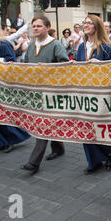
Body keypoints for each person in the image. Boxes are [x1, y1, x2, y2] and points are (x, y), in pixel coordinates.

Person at [20, 16, 69, 173]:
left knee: (43, 125)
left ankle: (34, 162)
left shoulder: (55, 45)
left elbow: (64, 66)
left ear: (47, 27)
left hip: (52, 92)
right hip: (36, 92)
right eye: (34, 26)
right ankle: (58, 147)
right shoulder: (31, 46)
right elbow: (26, 64)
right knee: (48, 122)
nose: (35, 28)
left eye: (39, 26)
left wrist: (48, 69)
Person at [76, 14, 111, 173]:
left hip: (102, 93)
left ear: (96, 26)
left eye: (89, 23)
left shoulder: (106, 47)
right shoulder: (81, 46)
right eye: (85, 23)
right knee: (86, 126)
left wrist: (101, 65)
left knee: (102, 126)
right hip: (85, 92)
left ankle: (110, 154)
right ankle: (94, 160)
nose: (86, 25)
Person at [0, 16, 31, 153]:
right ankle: (1, 140)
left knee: (4, 114)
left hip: (2, 84)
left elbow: (11, 63)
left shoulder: (3, 43)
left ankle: (11, 139)